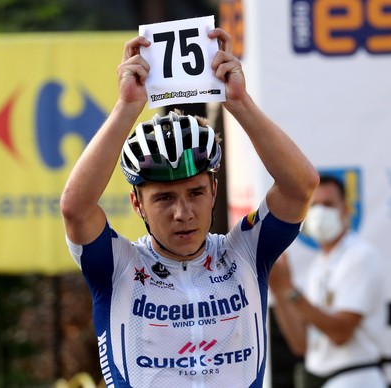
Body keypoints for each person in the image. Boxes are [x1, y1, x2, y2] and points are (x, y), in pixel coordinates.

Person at [60, 28, 318, 387]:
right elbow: (76, 208)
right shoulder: (118, 267)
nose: (183, 213)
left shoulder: (243, 253)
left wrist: (239, 102)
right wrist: (127, 107)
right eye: (164, 198)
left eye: (195, 192)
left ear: (214, 189)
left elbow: (300, 186)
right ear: (137, 204)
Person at [269, 174, 387, 388]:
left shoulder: (360, 256)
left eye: (328, 204)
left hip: (355, 378)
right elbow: (300, 344)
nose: (320, 213)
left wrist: (290, 291)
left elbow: (340, 332)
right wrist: (279, 290)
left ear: (346, 210)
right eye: (313, 206)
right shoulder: (319, 266)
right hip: (321, 379)